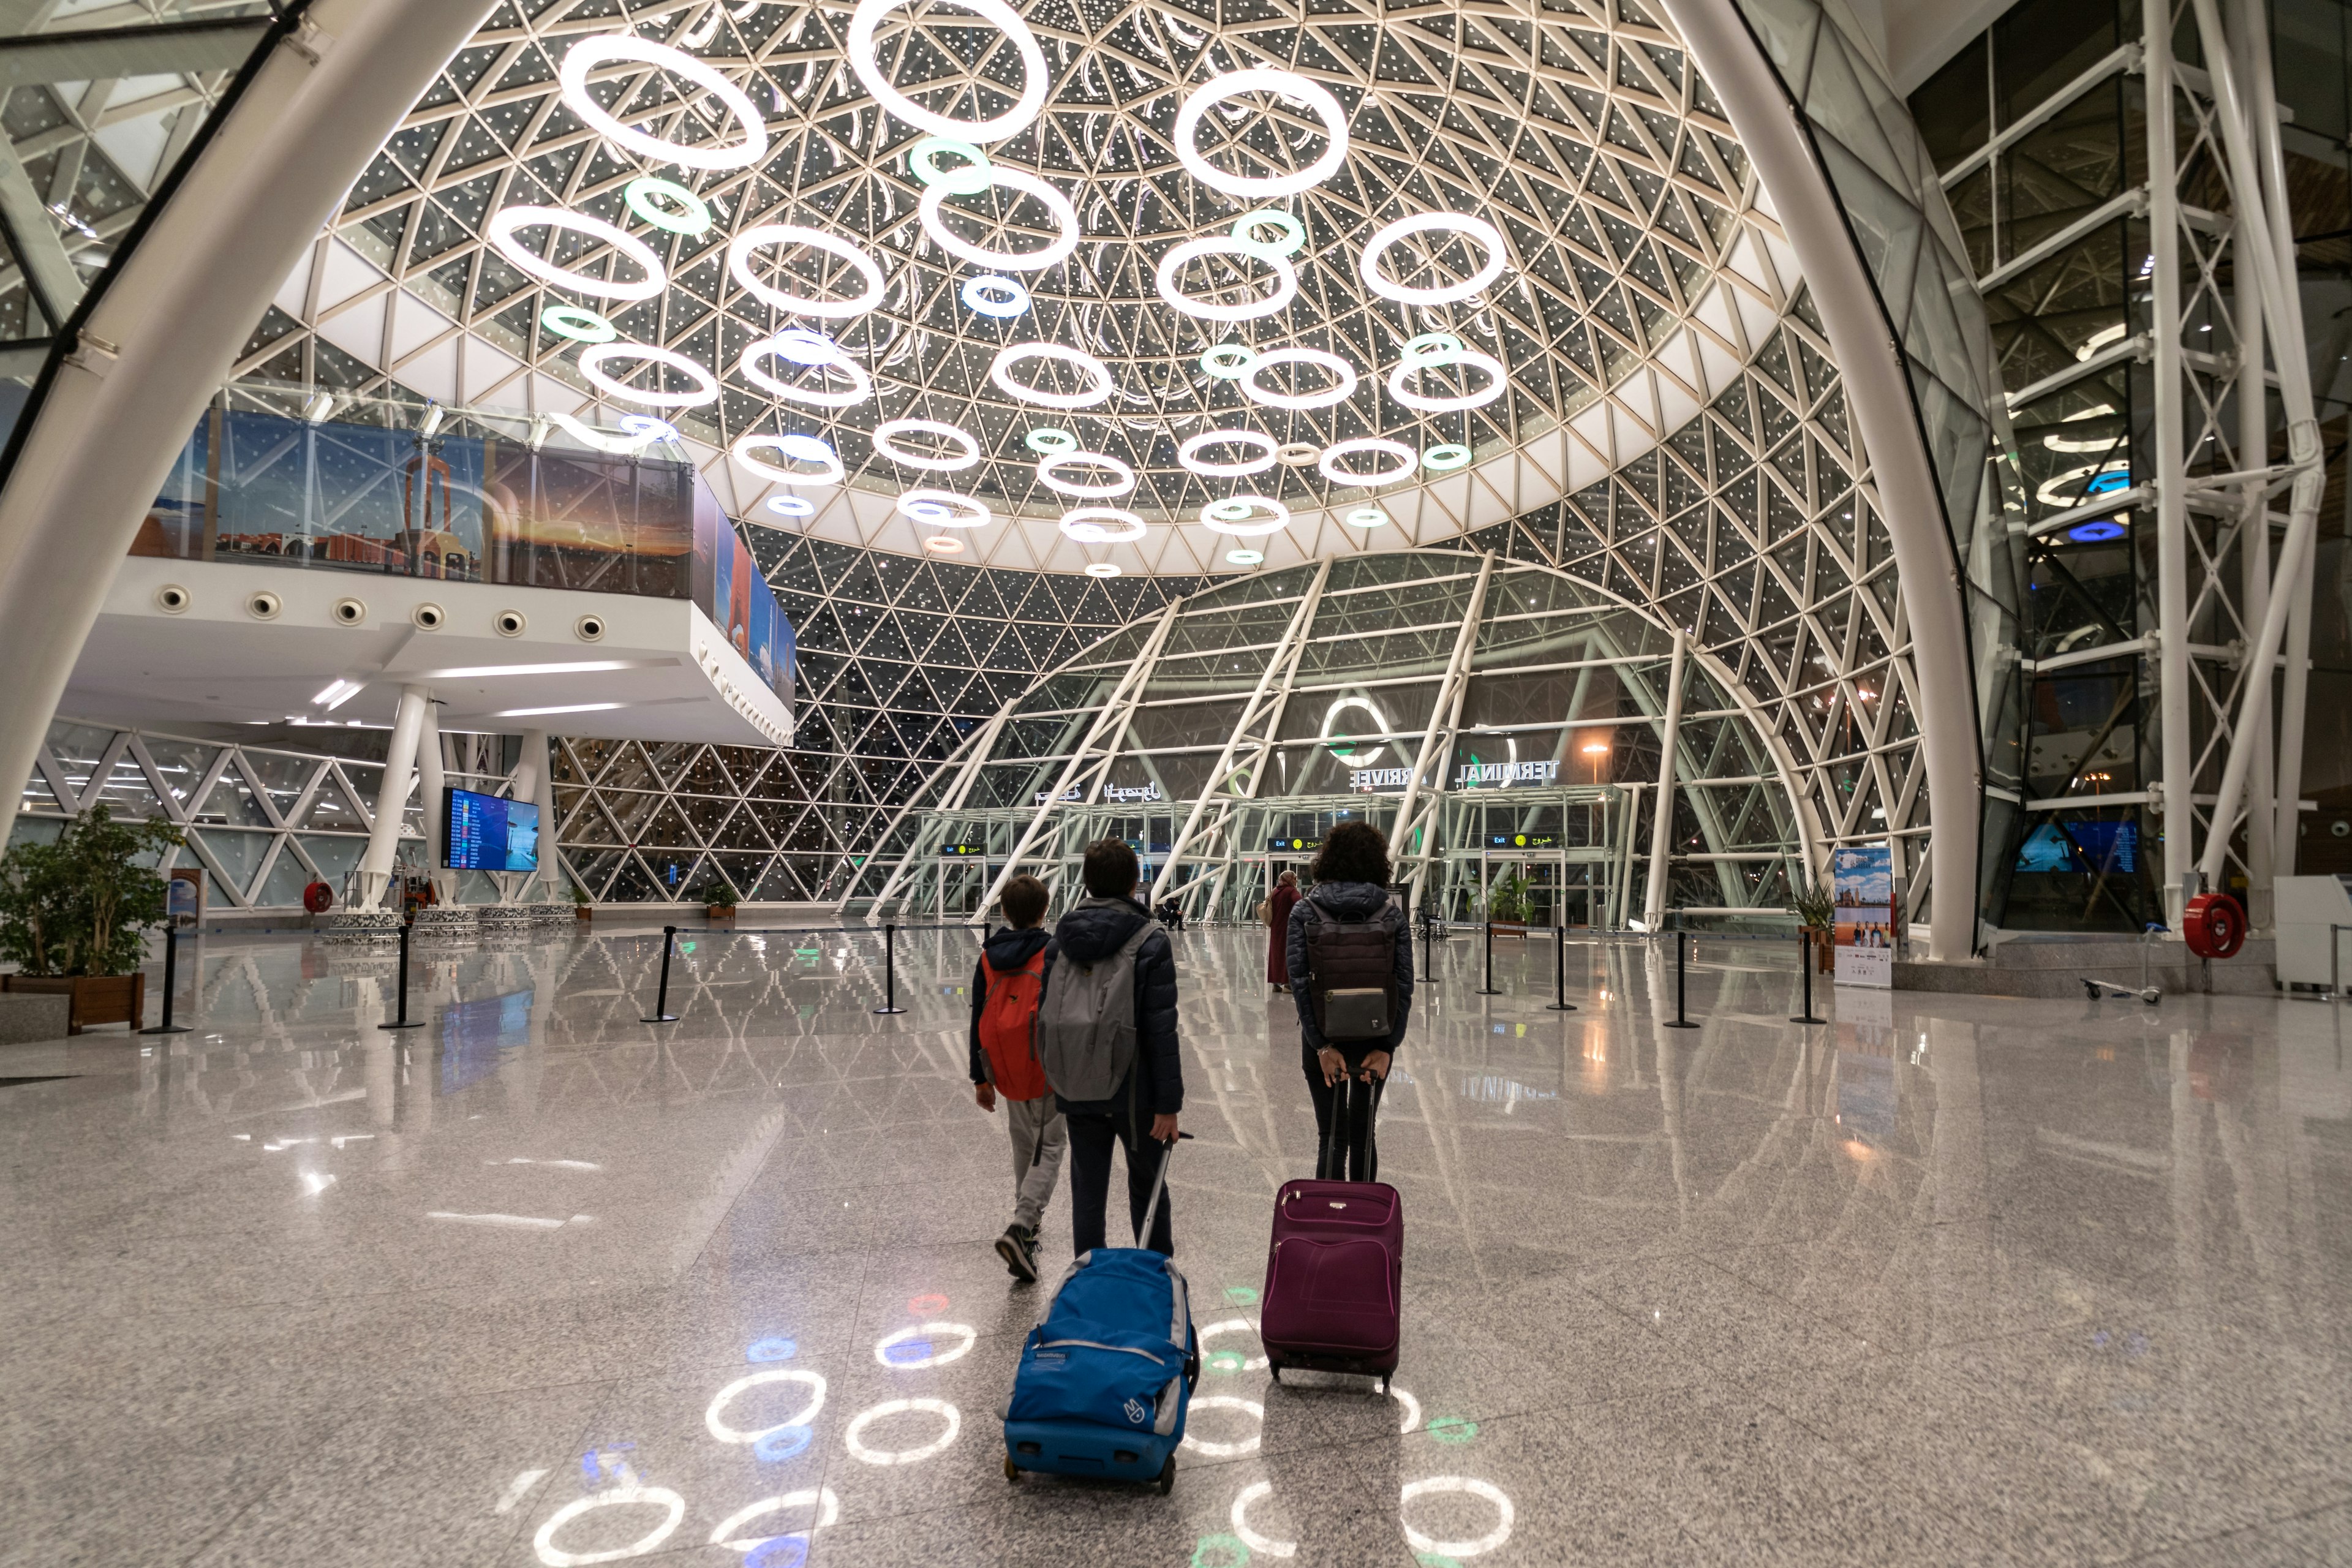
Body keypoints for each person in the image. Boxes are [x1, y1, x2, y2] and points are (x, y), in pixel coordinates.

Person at [1049, 838, 1182, 1256]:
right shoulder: (1150, 940)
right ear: (1133, 882)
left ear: (1088, 882)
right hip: (1135, 1092)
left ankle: (1088, 1278)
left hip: (1076, 1086)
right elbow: (1161, 1031)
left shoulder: (1060, 941)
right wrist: (1169, 1104)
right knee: (1148, 1187)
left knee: (1088, 1190)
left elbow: (1049, 1014)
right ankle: (1156, 1275)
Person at [1286, 823, 1412, 1181]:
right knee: (1363, 1135)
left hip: (1323, 1036)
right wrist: (1388, 1047)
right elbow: (1404, 985)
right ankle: (1363, 1221)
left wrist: (1322, 1047)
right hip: (1375, 1036)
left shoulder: (1305, 912)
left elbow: (1298, 986)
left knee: (1331, 1137)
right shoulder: (1390, 914)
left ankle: (1328, 1225)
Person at [968, 873, 1064, 1283]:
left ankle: (1025, 1229)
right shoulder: (1053, 952)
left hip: (1006, 1067)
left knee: (1024, 1143)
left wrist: (980, 1078)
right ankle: (1023, 1223)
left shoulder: (988, 957)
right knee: (1052, 1144)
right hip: (1045, 1066)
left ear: (1004, 912)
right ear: (1044, 911)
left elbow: (977, 1016)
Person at [1266, 869, 1300, 995]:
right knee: (1288, 954)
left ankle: (1276, 984)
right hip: (1288, 928)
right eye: (1294, 878)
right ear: (1289, 879)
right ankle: (1288, 985)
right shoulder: (1291, 891)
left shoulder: (1275, 891)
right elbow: (1300, 902)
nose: (1296, 881)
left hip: (1275, 928)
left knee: (1276, 955)